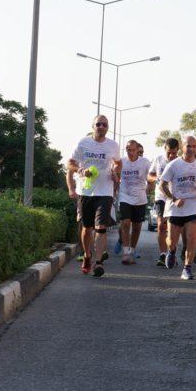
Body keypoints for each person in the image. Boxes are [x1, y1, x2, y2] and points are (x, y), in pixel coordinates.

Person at [66, 115, 121, 277]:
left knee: (101, 227)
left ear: (108, 127)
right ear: (93, 126)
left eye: (104, 124)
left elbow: (119, 163)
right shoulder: (83, 143)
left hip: (105, 192)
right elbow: (70, 163)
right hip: (86, 192)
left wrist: (115, 171)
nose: (101, 127)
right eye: (98, 124)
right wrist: (81, 171)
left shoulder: (113, 145)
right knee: (86, 228)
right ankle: (87, 255)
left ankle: (98, 262)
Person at [159, 136, 196, 279]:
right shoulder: (174, 165)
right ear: (182, 147)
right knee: (172, 240)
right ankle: (171, 252)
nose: (191, 149)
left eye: (194, 146)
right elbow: (162, 184)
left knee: (191, 238)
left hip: (192, 205)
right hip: (175, 206)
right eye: (188, 146)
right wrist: (174, 199)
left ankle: (187, 268)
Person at [116, 140, 150, 265]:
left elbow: (150, 176)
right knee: (125, 223)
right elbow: (116, 175)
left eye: (133, 150)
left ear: (137, 150)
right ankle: (126, 252)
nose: (131, 152)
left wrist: (152, 182)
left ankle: (132, 250)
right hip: (125, 196)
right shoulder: (122, 161)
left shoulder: (145, 162)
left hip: (140, 198)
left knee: (136, 227)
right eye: (128, 150)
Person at [148, 138, 179, 267]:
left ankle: (171, 253)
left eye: (174, 152)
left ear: (178, 150)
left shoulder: (180, 161)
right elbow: (149, 176)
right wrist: (157, 178)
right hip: (161, 196)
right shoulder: (158, 159)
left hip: (175, 197)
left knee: (173, 228)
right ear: (165, 149)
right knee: (161, 226)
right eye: (168, 152)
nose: (171, 155)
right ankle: (162, 254)